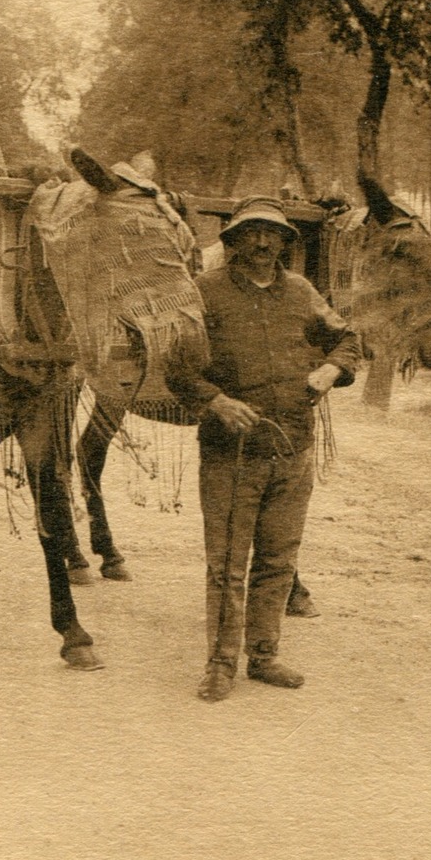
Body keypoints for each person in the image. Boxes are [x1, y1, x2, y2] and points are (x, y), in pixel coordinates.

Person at [166, 196, 364, 702]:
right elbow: (176, 366)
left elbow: (348, 340)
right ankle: (220, 663)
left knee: (279, 558)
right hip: (232, 452)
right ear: (232, 241)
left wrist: (330, 369)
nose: (261, 244)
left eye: (271, 235)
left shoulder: (301, 292)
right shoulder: (202, 292)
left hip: (294, 448)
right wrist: (216, 402)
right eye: (251, 234)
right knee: (228, 562)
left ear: (284, 243)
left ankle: (264, 654)